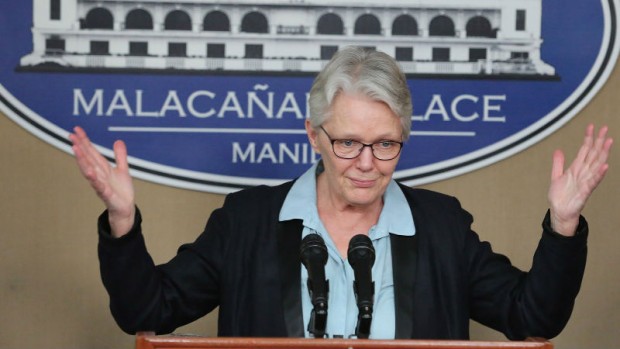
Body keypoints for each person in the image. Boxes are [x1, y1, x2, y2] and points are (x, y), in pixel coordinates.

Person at [70, 46, 613, 340]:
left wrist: (563, 226)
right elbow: (148, 309)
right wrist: (122, 221)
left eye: (385, 145)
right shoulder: (248, 222)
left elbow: (531, 318)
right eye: (349, 142)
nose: (366, 164)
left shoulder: (442, 227)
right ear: (314, 135)